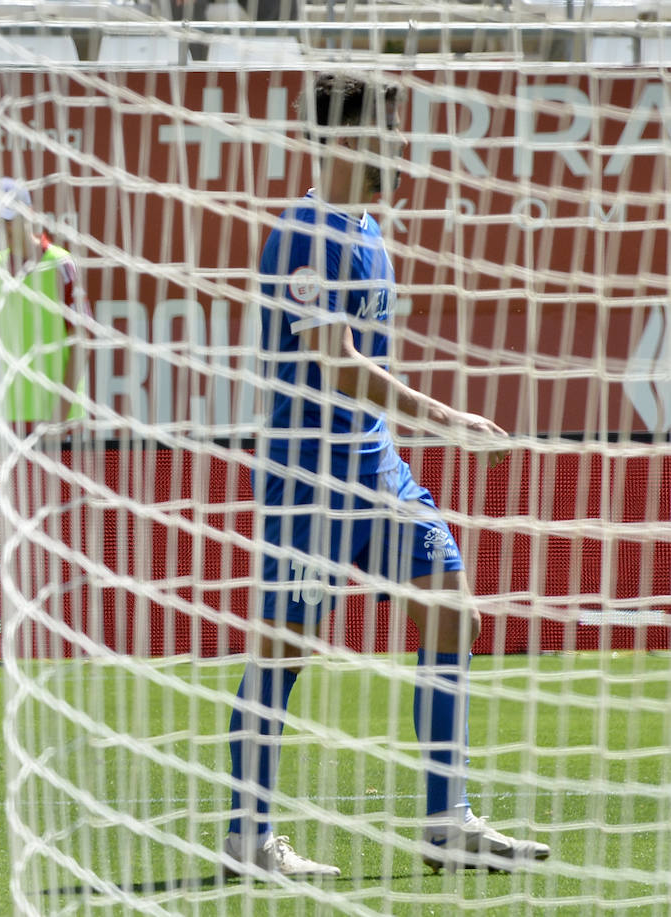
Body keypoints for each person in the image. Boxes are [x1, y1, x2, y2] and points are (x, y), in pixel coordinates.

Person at [226, 71, 552, 877]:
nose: (400, 149)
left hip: (378, 467)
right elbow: (337, 368)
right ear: (344, 141)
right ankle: (247, 834)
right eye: (387, 133)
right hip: (310, 479)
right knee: (285, 651)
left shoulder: (367, 227)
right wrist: (451, 419)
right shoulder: (304, 233)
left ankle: (449, 820)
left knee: (453, 615)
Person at [0, 177, 88, 434]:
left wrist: (59, 416)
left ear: (29, 214)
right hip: (8, 422)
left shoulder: (60, 263)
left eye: (10, 220)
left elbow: (82, 340)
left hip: (58, 422)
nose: (5, 228)